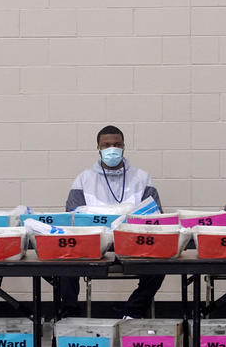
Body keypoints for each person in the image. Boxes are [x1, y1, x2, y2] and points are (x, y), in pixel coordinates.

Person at [60, 125, 165, 318]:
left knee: (160, 264)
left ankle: (133, 311)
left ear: (124, 146)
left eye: (117, 144)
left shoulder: (142, 178)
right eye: (106, 145)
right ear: (98, 148)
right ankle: (70, 316)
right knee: (65, 261)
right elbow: (72, 218)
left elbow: (155, 216)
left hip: (132, 243)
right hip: (94, 244)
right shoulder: (84, 179)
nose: (112, 149)